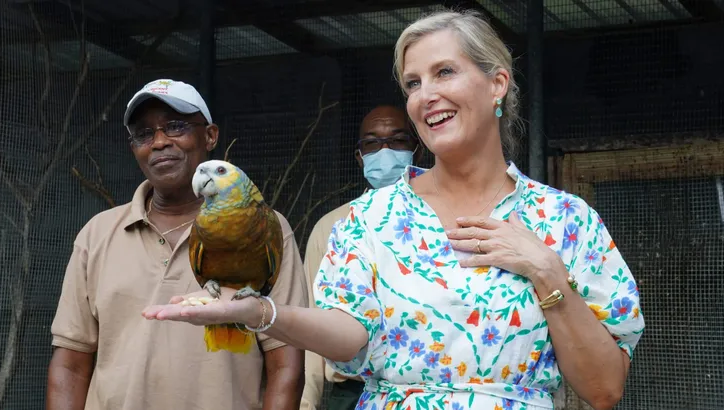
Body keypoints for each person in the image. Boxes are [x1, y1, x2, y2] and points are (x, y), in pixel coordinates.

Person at [143, 10, 645, 410]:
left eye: (444, 72)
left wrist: (544, 269)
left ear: (497, 84)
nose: (426, 95)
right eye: (412, 83)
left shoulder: (566, 219)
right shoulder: (370, 218)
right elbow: (348, 335)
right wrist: (259, 312)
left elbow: (604, 390)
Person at [47, 79, 307, 410]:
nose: (159, 142)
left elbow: (286, 363)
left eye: (175, 126)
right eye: (144, 134)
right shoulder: (97, 234)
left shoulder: (267, 228)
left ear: (210, 136)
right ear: (134, 149)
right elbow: (70, 363)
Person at [300, 105, 422, 410]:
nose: (385, 151)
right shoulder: (332, 226)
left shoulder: (437, 220)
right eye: (372, 143)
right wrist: (305, 403)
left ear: (416, 150)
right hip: (353, 393)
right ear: (360, 156)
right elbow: (313, 322)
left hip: (425, 390)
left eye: (397, 141)